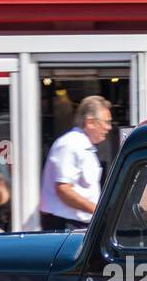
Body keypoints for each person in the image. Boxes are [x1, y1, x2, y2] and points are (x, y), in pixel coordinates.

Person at [39, 95, 111, 231]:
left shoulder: (84, 146)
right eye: (106, 122)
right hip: (65, 225)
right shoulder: (70, 144)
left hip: (76, 224)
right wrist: (99, 211)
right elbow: (64, 189)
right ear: (90, 122)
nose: (109, 127)